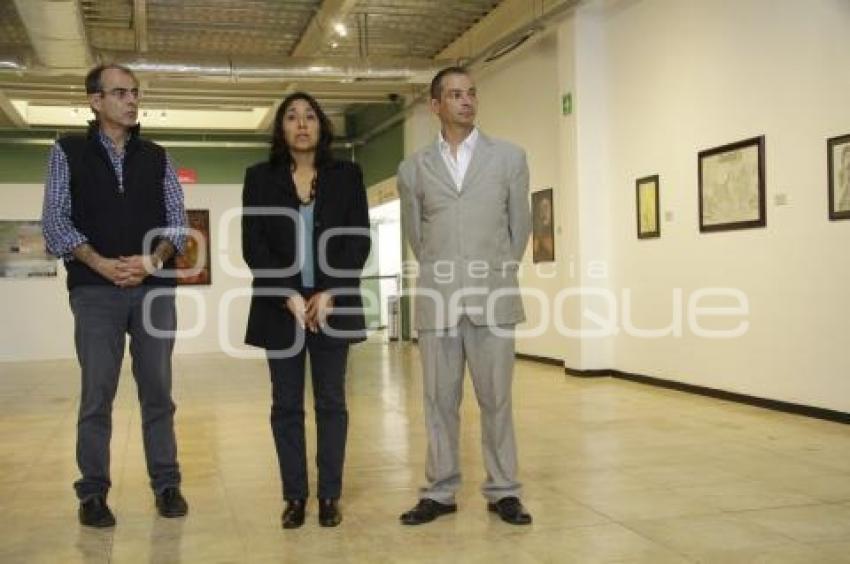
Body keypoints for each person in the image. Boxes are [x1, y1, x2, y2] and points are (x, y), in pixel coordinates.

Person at [41, 63, 189, 528]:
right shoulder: (67, 151)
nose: (131, 100)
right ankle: (92, 493)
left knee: (158, 392)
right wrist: (101, 263)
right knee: (97, 394)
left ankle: (166, 484)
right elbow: (56, 221)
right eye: (120, 92)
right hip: (95, 292)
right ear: (95, 100)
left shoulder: (158, 156)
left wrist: (152, 261)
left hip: (153, 289)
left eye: (135, 92)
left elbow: (178, 223)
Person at [397, 67, 533, 526]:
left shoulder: (509, 158)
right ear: (435, 105)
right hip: (438, 302)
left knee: (497, 401)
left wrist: (493, 272)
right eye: (455, 94)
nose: (467, 101)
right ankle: (439, 492)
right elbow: (417, 237)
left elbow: (519, 228)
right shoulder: (413, 168)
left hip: (492, 298)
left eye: (471, 93)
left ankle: (504, 490)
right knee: (438, 402)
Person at [242, 92, 371, 529]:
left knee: (332, 402)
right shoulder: (259, 178)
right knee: (286, 405)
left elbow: (357, 239)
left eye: (310, 117)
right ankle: (295, 496)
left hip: (334, 304)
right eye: (292, 117)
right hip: (281, 308)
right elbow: (253, 244)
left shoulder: (347, 175)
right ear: (280, 128)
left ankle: (329, 495)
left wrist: (332, 289)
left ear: (322, 126)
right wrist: (287, 293)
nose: (301, 124)